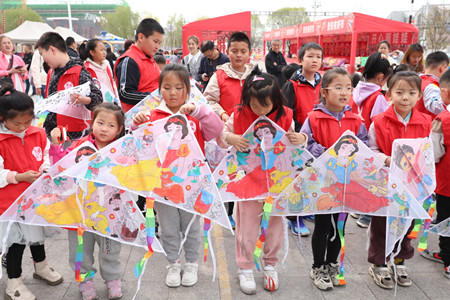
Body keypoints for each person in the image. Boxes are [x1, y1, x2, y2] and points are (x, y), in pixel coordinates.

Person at [132, 64, 223, 288]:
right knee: (168, 228)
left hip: (193, 185)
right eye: (167, 87)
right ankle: (173, 263)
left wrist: (199, 112)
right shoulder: (152, 116)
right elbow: (139, 147)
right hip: (163, 187)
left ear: (188, 90)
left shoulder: (196, 114)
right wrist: (137, 125)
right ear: (159, 90)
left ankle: (191, 263)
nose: (172, 93)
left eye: (178, 87)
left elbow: (217, 129)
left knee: (192, 226)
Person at [218, 68, 307, 294]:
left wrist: (301, 139)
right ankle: (245, 267)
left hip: (277, 182)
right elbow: (221, 138)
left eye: (264, 106)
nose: (259, 111)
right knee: (246, 228)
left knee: (275, 226)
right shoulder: (238, 115)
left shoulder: (286, 115)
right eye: (254, 106)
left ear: (275, 99)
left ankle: (270, 264)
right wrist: (230, 137)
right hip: (247, 181)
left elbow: (295, 145)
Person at [300, 68, 368, 291]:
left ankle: (332, 264)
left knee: (339, 226)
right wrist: (327, 153)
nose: (344, 92)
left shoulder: (356, 120)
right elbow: (305, 145)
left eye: (348, 88)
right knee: (322, 226)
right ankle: (317, 266)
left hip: (347, 184)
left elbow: (364, 146)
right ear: (324, 92)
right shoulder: (313, 118)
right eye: (338, 88)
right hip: (322, 184)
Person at [49, 102, 125, 300]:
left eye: (111, 125)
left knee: (110, 250)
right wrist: (56, 146)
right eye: (100, 123)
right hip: (79, 212)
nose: (104, 129)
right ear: (92, 123)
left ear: (119, 129)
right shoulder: (78, 146)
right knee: (80, 251)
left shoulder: (121, 150)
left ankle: (113, 279)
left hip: (109, 213)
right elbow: (61, 166)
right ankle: (85, 281)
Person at [367, 71, 432, 289]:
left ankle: (399, 260)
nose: (405, 97)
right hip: (385, 183)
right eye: (400, 92)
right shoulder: (378, 122)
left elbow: (428, 153)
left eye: (412, 93)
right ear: (389, 94)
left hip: (413, 185)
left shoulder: (426, 122)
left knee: (408, 223)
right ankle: (379, 263)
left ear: (419, 96)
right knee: (381, 224)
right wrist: (385, 159)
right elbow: (371, 149)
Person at [0, 85, 63, 300]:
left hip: (34, 197)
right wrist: (17, 177)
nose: (23, 127)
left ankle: (41, 267)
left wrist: (45, 168)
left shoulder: (37, 133)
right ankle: (14, 282)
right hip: (9, 203)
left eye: (27, 121)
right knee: (16, 242)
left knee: (37, 236)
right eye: (17, 123)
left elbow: (45, 155)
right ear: (2, 119)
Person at [35, 32, 102, 140]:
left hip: (75, 136)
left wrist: (84, 99)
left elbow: (98, 99)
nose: (44, 59)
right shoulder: (52, 72)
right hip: (54, 135)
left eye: (42, 54)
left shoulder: (80, 72)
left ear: (52, 49)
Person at [352, 52, 391, 228]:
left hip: (353, 141)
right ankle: (366, 216)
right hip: (369, 144)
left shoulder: (354, 90)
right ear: (382, 77)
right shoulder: (378, 97)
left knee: (360, 177)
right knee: (373, 179)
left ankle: (357, 208)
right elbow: (380, 126)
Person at [422, 69, 450, 279]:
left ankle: (447, 259)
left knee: (445, 219)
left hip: (446, 183)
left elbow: (436, 154)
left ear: (445, 92)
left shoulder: (442, 119)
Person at [114, 18, 165, 112]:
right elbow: (125, 93)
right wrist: (153, 98)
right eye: (155, 41)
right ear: (141, 37)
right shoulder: (130, 60)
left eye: (159, 43)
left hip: (153, 113)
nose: (157, 46)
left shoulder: (149, 58)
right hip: (138, 119)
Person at [204, 32, 253, 122]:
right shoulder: (218, 76)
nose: (239, 55)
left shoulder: (256, 76)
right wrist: (222, 113)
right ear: (227, 52)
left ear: (250, 53)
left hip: (252, 128)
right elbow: (209, 100)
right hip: (227, 128)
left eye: (243, 51)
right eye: (234, 51)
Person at [282, 42, 323, 132]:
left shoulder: (324, 84)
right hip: (299, 134)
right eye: (310, 56)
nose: (315, 60)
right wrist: (303, 132)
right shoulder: (291, 85)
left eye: (318, 57)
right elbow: (287, 115)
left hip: (321, 132)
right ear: (300, 61)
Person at [416, 51, 449, 118]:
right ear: (442, 68)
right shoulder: (432, 86)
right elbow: (435, 106)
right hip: (428, 125)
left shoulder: (417, 80)